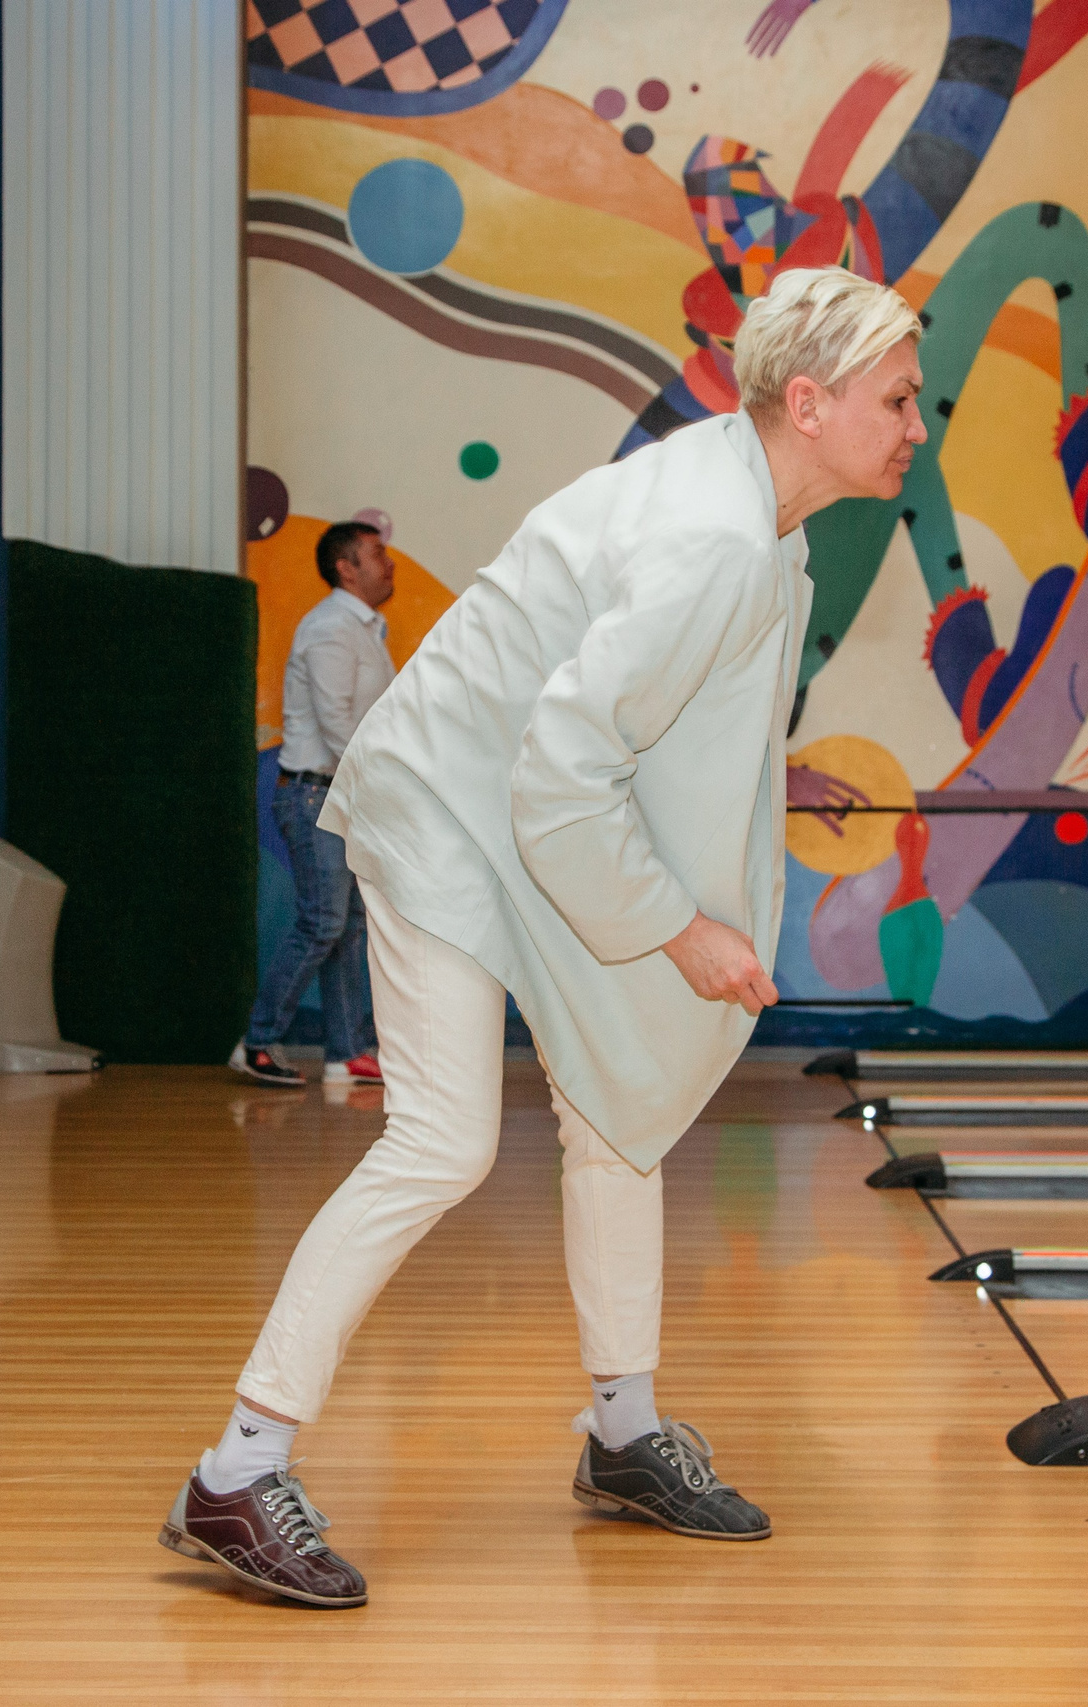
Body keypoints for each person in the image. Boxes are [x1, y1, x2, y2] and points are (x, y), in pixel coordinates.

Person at [159, 266, 928, 1608]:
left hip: (530, 813)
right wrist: (681, 928)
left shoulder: (759, 512)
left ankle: (624, 1436)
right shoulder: (720, 539)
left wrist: (690, 913)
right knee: (443, 1136)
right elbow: (563, 771)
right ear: (809, 404)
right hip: (457, 812)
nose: (919, 425)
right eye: (901, 398)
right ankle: (236, 1469)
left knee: (615, 1115)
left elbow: (650, 748)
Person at [229, 514, 400, 1090]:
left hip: (337, 796)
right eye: (376, 553)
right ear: (346, 569)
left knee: (347, 925)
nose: (389, 561)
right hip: (314, 795)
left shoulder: (363, 629)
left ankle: (347, 1052)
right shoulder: (331, 627)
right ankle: (257, 1041)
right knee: (324, 920)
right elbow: (335, 724)